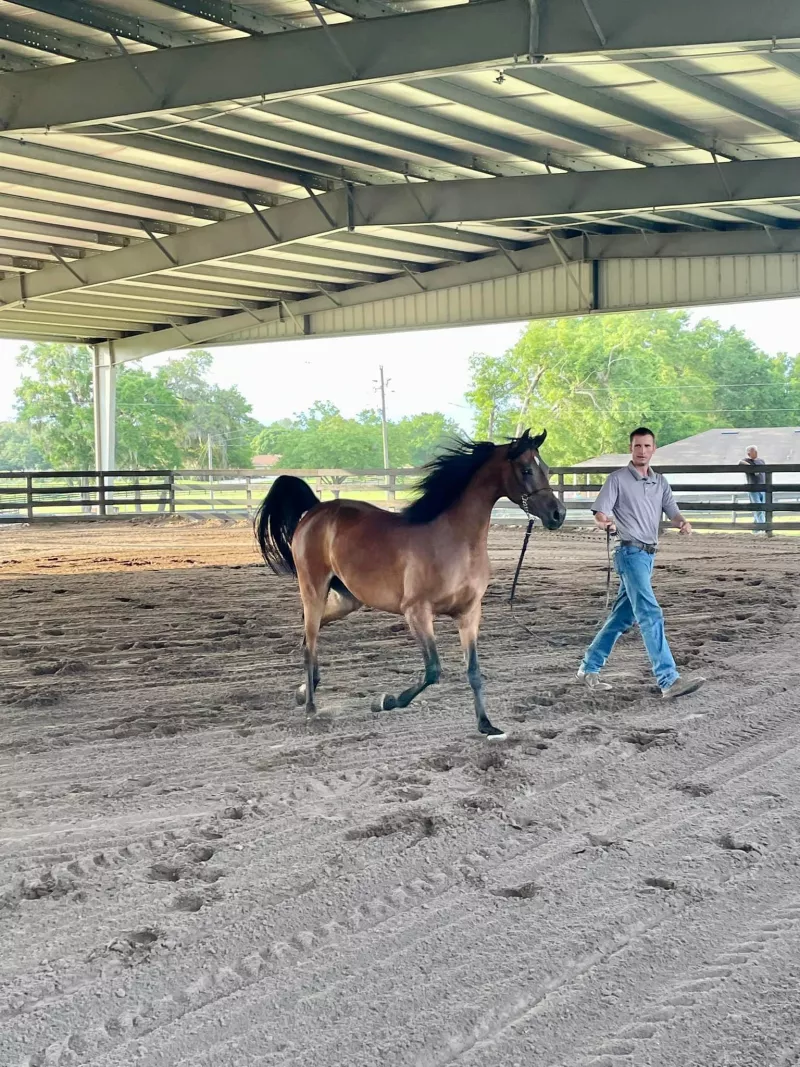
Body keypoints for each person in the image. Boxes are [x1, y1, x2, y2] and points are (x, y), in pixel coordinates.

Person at [576, 427, 705, 700]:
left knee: (622, 617)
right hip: (629, 553)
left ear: (653, 449)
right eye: (637, 446)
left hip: (648, 556)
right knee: (649, 613)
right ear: (631, 448)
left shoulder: (660, 482)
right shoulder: (617, 480)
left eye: (647, 446)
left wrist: (682, 522)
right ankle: (668, 680)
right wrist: (604, 523)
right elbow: (600, 513)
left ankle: (589, 667)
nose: (642, 451)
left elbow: (672, 512)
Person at [739, 445, 766, 529]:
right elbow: (740, 462)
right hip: (753, 488)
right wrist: (752, 467)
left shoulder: (761, 461)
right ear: (749, 453)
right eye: (754, 451)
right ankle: (763, 527)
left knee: (763, 508)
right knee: (758, 508)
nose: (756, 452)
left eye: (756, 451)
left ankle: (756, 529)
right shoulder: (746, 461)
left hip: (763, 487)